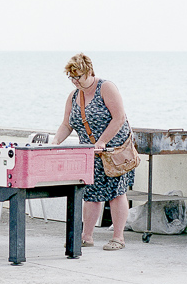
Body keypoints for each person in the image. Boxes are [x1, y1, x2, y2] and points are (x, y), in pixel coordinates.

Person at [53, 53, 133, 251]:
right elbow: (66, 124)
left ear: (89, 71)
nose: (74, 81)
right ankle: (86, 236)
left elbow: (119, 118)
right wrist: (55, 141)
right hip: (90, 153)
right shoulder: (74, 96)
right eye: (71, 78)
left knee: (116, 192)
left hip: (114, 151)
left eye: (78, 76)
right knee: (91, 193)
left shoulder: (106, 87)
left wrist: (102, 141)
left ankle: (118, 237)